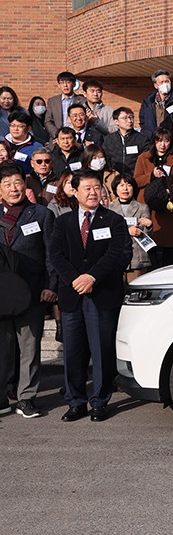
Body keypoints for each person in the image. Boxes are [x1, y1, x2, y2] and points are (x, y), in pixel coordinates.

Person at [47, 170, 132, 423]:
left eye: (97, 187)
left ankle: (99, 401)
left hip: (101, 293)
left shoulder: (113, 220)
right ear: (75, 191)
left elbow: (115, 254)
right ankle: (76, 401)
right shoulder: (62, 222)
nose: (93, 192)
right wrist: (76, 279)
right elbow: (56, 254)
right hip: (72, 294)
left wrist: (92, 277)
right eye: (87, 188)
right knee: (73, 352)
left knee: (101, 350)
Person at [0, 163, 56, 419]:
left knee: (30, 347)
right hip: (2, 293)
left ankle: (26, 397)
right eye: (7, 184)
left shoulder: (41, 214)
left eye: (17, 182)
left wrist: (49, 286)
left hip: (32, 291)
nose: (14, 188)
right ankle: (3, 395)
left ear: (25, 184)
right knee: (3, 348)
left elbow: (51, 253)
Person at [134, 128, 173, 268]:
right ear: (154, 141)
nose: (162, 144)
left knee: (167, 243)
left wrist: (170, 190)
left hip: (166, 203)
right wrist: (151, 175)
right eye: (159, 140)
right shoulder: (143, 158)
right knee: (148, 241)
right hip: (147, 203)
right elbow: (136, 180)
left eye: (166, 141)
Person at [107, 173, 153, 282]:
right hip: (116, 259)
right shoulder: (109, 209)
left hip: (137, 259)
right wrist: (127, 232)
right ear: (115, 189)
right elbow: (107, 233)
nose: (125, 188)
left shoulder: (142, 208)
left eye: (129, 185)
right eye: (121, 185)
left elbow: (147, 235)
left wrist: (149, 226)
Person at [104, 107, 150, 178]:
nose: (129, 121)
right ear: (116, 121)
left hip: (135, 178)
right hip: (115, 178)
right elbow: (106, 159)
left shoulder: (142, 139)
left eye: (131, 117)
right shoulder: (109, 139)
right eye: (125, 118)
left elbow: (146, 159)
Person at [44, 71, 83, 140]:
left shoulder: (82, 101)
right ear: (58, 85)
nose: (65, 85)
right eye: (62, 83)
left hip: (76, 138)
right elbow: (48, 121)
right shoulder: (52, 101)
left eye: (68, 82)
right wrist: (57, 135)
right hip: (56, 139)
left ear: (74, 84)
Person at [138, 69, 173, 137]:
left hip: (170, 138)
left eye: (167, 81)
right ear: (156, 85)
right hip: (151, 138)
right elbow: (143, 121)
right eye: (161, 82)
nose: (165, 84)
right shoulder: (148, 102)